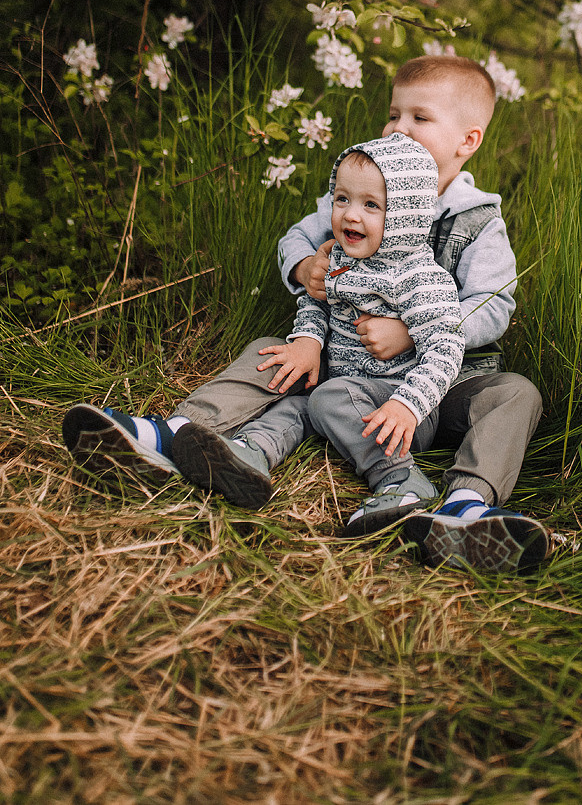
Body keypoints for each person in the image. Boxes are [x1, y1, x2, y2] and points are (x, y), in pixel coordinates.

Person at [63, 55, 549, 572]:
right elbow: (299, 236)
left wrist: (411, 331)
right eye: (393, 114)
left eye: (419, 118)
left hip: (440, 382)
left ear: (467, 140)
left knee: (516, 393)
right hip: (349, 369)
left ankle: (467, 506)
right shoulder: (365, 183)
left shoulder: (475, 219)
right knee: (271, 354)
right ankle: (175, 435)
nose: (398, 128)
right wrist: (303, 270)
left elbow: (493, 303)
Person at [174, 133, 466, 534]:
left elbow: (446, 347)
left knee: (325, 398)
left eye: (371, 206)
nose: (350, 215)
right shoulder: (338, 258)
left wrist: (408, 406)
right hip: (337, 388)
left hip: (398, 411)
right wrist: (309, 342)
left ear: (405, 216)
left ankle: (402, 480)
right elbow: (316, 301)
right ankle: (249, 455)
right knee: (300, 404)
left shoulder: (421, 279)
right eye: (342, 199)